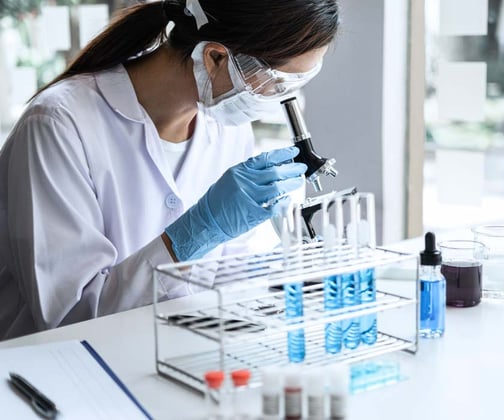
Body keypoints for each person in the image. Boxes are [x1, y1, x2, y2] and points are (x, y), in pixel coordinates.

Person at [0, 0, 339, 339]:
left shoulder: (227, 125)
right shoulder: (58, 124)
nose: (283, 100)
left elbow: (227, 272)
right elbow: (70, 319)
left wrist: (286, 273)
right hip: (57, 372)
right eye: (278, 85)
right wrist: (196, 232)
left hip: (167, 356)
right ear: (216, 58)